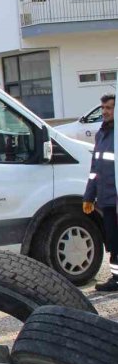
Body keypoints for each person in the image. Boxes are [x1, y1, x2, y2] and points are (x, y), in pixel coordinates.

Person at [84, 93, 118, 292]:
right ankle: (116, 277)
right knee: (113, 241)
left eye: (109, 108)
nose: (104, 111)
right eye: (103, 107)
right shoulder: (102, 133)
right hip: (107, 199)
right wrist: (89, 195)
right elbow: (95, 168)